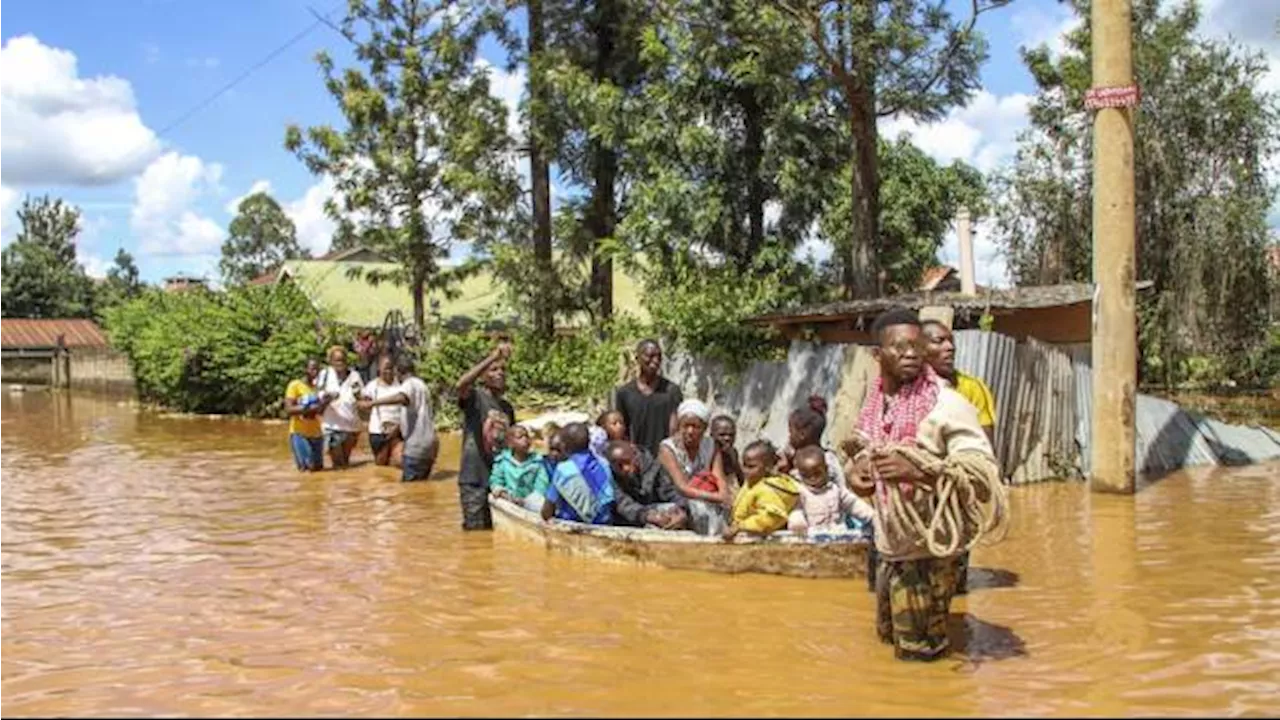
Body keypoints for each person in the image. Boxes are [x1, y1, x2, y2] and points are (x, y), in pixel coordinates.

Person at [844, 307, 1002, 663]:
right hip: (889, 548)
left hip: (929, 554)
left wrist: (919, 472)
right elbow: (859, 449)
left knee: (921, 659)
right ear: (877, 355)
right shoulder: (875, 402)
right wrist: (856, 473)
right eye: (899, 347)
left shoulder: (946, 404)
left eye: (915, 346)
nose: (911, 354)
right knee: (888, 645)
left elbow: (983, 473)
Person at [920, 319, 999, 596]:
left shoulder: (972, 388)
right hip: (918, 491)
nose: (949, 347)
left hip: (954, 488)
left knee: (954, 573)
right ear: (920, 348)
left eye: (950, 340)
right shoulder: (906, 390)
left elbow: (984, 442)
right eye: (938, 341)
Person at [455, 340, 517, 530]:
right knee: (475, 533)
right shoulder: (475, 398)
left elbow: (511, 445)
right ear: (482, 377)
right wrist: (493, 356)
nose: (500, 373)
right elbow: (461, 385)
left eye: (502, 369)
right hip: (474, 478)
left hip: (497, 479)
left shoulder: (507, 408)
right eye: (493, 370)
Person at [657, 399, 732, 536]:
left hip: (707, 495)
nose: (690, 431)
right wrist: (717, 497)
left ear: (704, 429)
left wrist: (724, 495)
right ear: (680, 426)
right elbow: (682, 487)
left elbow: (719, 477)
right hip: (677, 499)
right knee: (697, 511)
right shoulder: (667, 448)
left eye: (696, 427)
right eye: (686, 426)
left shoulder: (711, 446)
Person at [612, 339, 684, 458]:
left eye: (658, 356)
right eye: (650, 356)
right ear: (637, 358)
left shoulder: (671, 391)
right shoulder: (625, 393)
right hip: (638, 459)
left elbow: (677, 428)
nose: (655, 361)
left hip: (666, 458)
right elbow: (622, 430)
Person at [787, 445, 873, 536]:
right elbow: (796, 509)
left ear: (826, 469)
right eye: (806, 475)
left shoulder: (835, 489)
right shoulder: (801, 493)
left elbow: (852, 504)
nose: (813, 478)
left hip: (837, 534)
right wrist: (798, 522)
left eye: (817, 473)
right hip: (812, 535)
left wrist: (871, 516)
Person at [723, 440, 799, 541]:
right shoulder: (752, 482)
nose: (745, 471)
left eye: (751, 467)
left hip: (758, 537)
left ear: (768, 467)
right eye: (744, 465)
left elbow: (771, 517)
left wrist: (741, 526)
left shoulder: (767, 490)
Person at [542, 422, 615, 525]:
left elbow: (547, 511)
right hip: (605, 523)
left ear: (563, 445)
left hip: (573, 524)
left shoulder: (564, 470)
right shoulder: (604, 463)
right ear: (588, 441)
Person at [605, 440, 689, 530]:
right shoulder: (610, 477)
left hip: (655, 511)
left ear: (635, 455)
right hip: (630, 520)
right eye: (619, 466)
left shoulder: (654, 467)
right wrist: (646, 516)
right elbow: (623, 504)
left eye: (627, 462)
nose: (625, 468)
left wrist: (681, 509)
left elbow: (670, 491)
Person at [777, 395, 845, 491]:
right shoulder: (791, 455)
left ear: (802, 435)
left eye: (791, 432)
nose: (789, 437)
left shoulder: (827, 463)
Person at [317, 346, 365, 469]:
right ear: (331, 361)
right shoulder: (325, 374)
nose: (340, 363)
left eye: (342, 360)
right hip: (331, 425)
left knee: (344, 462)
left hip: (351, 426)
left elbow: (360, 397)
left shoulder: (354, 376)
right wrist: (328, 397)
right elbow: (319, 395)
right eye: (336, 360)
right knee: (338, 463)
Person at [490, 425, 550, 512]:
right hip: (507, 501)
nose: (525, 439)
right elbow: (496, 481)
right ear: (510, 443)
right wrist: (504, 494)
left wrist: (525, 501)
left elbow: (541, 486)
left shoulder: (538, 462)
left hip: (531, 503)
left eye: (527, 436)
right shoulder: (502, 461)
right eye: (520, 437)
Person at [284, 358, 327, 472]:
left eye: (317, 369)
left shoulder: (317, 389)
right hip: (299, 433)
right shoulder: (295, 385)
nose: (315, 372)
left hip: (316, 433)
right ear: (305, 369)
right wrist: (308, 408)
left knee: (318, 469)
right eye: (312, 368)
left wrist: (325, 402)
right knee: (306, 469)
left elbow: (320, 412)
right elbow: (288, 409)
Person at [360, 355, 404, 466]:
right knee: (381, 465)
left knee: (399, 461)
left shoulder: (401, 385)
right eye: (385, 368)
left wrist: (397, 427)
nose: (388, 371)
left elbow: (407, 409)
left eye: (390, 368)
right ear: (379, 369)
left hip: (398, 430)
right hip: (378, 431)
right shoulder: (371, 386)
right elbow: (362, 406)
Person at [710, 415, 744, 491]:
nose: (727, 438)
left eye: (731, 435)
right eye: (722, 435)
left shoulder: (733, 452)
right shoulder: (706, 453)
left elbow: (742, 481)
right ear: (712, 435)